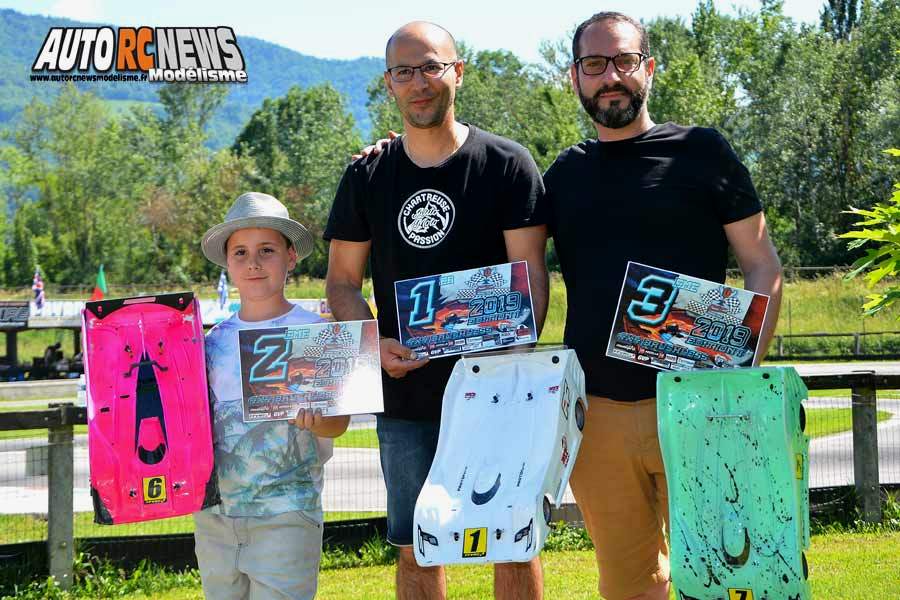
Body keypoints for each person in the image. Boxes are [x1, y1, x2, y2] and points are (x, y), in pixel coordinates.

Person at [540, 12, 784, 600]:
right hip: (597, 415)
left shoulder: (701, 152)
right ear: (575, 77)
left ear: (647, 67)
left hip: (697, 403)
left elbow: (762, 266)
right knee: (628, 587)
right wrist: (396, 150)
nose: (611, 76)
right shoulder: (562, 175)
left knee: (729, 578)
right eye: (595, 65)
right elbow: (486, 229)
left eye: (624, 61)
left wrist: (739, 377)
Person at [324, 21, 549, 600]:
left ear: (458, 72)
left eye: (431, 67)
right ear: (389, 84)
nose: (418, 82)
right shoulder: (367, 174)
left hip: (499, 393)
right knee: (415, 547)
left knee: (512, 542)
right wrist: (372, 344)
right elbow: (343, 282)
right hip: (406, 398)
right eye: (404, 72)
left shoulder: (507, 163)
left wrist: (512, 358)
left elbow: (531, 275)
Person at [195, 191, 350, 600]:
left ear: (291, 257)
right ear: (227, 263)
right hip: (215, 518)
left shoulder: (315, 333)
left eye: (267, 250)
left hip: (286, 514)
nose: (253, 263)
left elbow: (338, 424)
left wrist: (316, 416)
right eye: (240, 252)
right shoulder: (210, 343)